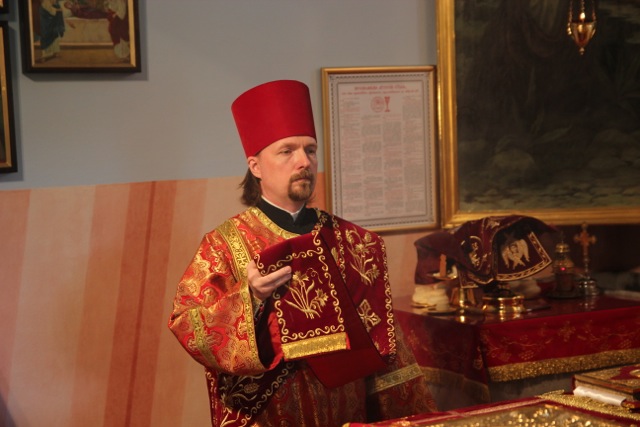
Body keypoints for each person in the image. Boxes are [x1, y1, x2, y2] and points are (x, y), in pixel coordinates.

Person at [168, 79, 436, 427]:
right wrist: (250, 297)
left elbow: (386, 345)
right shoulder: (223, 245)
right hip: (267, 416)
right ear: (255, 166)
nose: (304, 161)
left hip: (345, 413)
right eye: (287, 151)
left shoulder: (354, 242)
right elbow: (187, 323)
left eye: (310, 150)